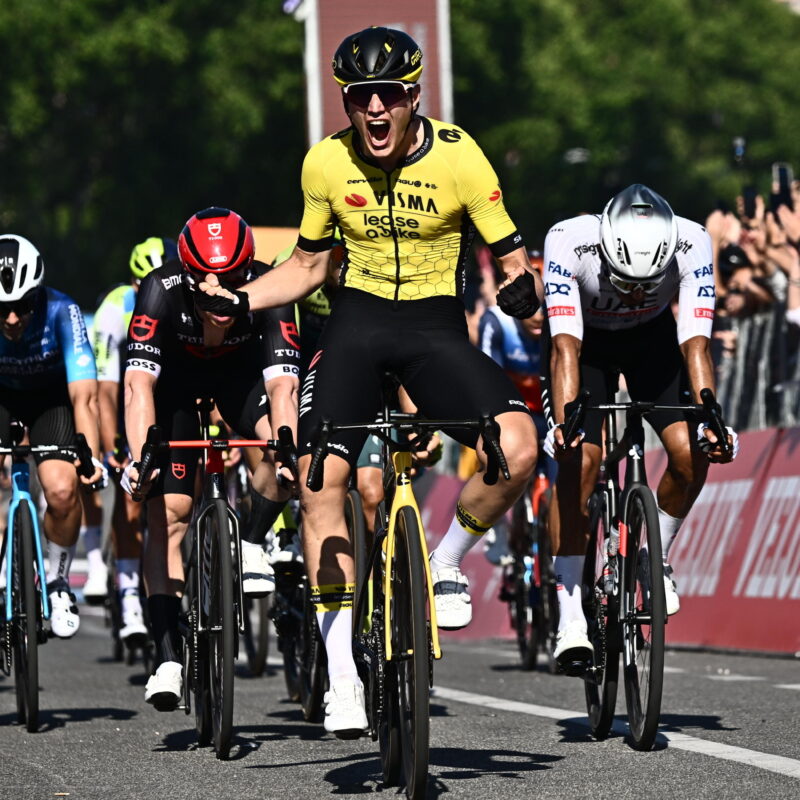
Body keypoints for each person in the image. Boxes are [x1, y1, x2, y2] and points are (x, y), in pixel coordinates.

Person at [193, 26, 542, 737]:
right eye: (360, 98)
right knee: (320, 479)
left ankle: (445, 563)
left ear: (414, 96)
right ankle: (344, 681)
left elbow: (513, 258)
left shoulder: (461, 157)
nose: (376, 110)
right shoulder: (325, 162)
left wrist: (522, 291)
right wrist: (242, 297)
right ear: (346, 103)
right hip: (354, 330)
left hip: (434, 331)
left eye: (389, 95)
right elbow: (310, 268)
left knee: (520, 444)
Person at [542, 184, 737, 674]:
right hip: (585, 345)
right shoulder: (568, 240)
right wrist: (567, 426)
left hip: (650, 343)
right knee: (580, 459)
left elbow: (695, 347)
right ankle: (569, 615)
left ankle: (655, 558)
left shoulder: (692, 241)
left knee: (690, 454)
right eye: (625, 280)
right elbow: (565, 347)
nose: (633, 291)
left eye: (646, 283)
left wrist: (711, 416)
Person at [121, 208, 300, 711]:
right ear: (187, 271)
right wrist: (141, 460)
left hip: (239, 380)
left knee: (282, 450)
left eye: (234, 279)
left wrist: (287, 449)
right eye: (206, 284)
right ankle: (166, 655)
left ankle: (247, 541)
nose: (220, 294)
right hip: (176, 386)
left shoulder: (267, 286)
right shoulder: (160, 288)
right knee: (170, 516)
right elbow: (139, 385)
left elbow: (282, 384)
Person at [0, 234, 106, 638]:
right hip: (1, 397)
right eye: (2, 309)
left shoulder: (64, 310)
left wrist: (89, 457)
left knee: (62, 492)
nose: (12, 319)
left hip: (51, 399)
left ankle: (59, 582)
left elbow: (85, 396)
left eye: (22, 306)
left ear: (37, 294)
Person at [89, 237, 177, 644]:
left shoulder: (181, 297)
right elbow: (106, 390)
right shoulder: (114, 308)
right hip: (127, 398)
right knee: (129, 492)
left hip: (168, 396)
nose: (152, 290)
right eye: (145, 283)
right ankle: (128, 594)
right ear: (132, 282)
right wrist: (112, 449)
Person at [478, 253, 553, 565]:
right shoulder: (496, 322)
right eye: (531, 306)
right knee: (488, 444)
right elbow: (484, 381)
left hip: (547, 414)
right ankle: (495, 522)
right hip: (510, 412)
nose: (538, 317)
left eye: (544, 304)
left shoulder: (559, 321)